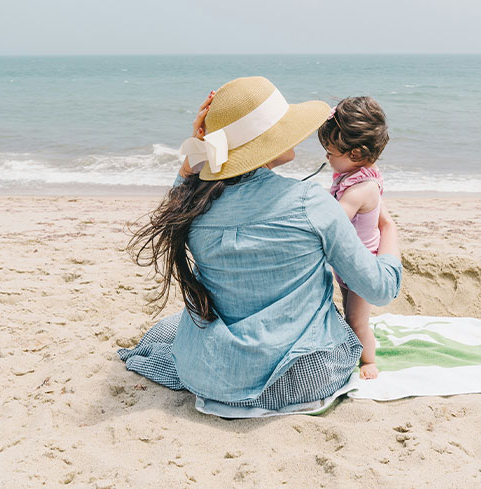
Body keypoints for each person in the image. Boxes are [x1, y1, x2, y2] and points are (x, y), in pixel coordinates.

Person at [120, 76, 401, 412]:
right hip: (304, 377)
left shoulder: (192, 207)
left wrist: (194, 156)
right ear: (264, 143)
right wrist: (389, 228)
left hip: (213, 372)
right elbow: (380, 289)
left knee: (169, 329)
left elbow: (176, 200)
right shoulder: (310, 203)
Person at [317, 97, 389, 380]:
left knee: (357, 321)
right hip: (348, 267)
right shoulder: (353, 175)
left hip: (361, 269)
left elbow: (334, 219)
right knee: (350, 312)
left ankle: (368, 360)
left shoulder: (360, 190)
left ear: (356, 154)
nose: (326, 157)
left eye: (331, 152)